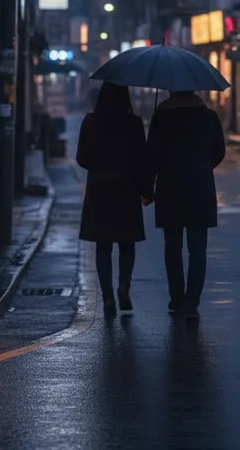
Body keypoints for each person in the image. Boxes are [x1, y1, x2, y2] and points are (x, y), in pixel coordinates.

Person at [147, 89, 226, 319]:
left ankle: (176, 296)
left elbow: (152, 156)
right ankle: (191, 302)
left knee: (172, 247)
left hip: (170, 187)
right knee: (197, 248)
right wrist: (202, 165)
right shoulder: (208, 117)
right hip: (199, 187)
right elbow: (219, 151)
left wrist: (147, 188)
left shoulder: (161, 117)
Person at [76, 82, 152, 317]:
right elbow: (142, 160)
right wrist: (146, 189)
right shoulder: (134, 123)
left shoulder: (91, 122)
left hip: (99, 188)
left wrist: (98, 168)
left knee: (103, 245)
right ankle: (123, 287)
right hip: (127, 187)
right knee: (126, 243)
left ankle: (108, 296)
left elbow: (81, 157)